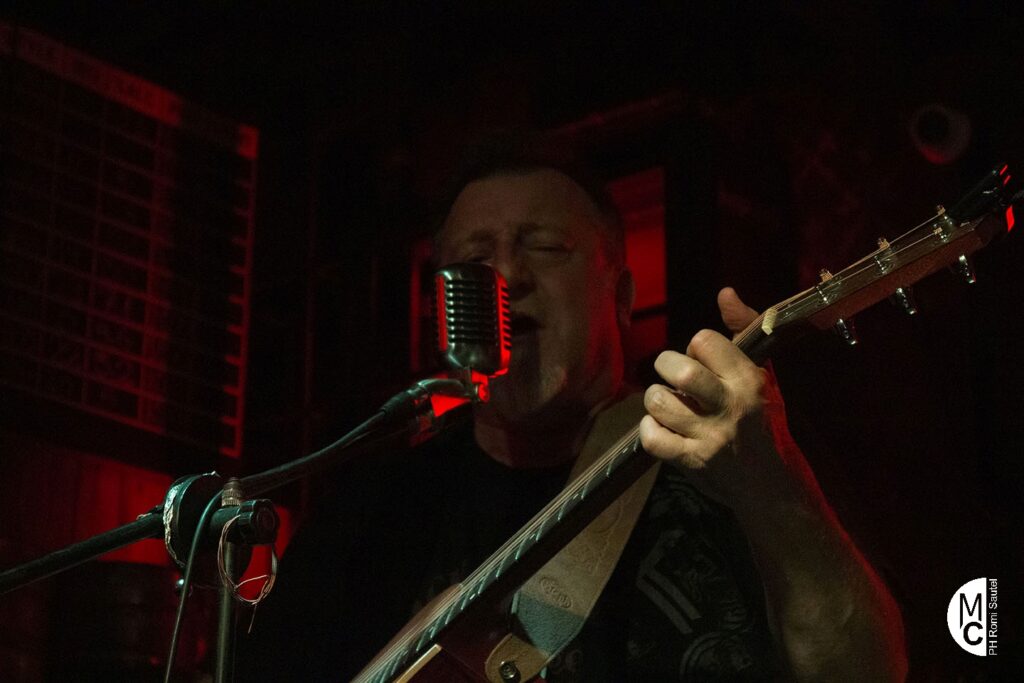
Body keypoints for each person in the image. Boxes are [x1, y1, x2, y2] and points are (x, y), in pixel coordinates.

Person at [239, 136, 907, 681]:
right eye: (476, 257)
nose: (508, 276)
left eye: (545, 247)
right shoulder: (373, 514)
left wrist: (772, 484)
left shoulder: (734, 452)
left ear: (622, 296)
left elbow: (869, 671)